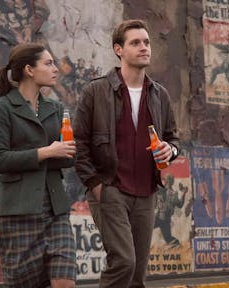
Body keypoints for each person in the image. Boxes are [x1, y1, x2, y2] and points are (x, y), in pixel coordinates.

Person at [73, 19, 179, 288]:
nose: (144, 47)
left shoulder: (160, 94)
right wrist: (95, 185)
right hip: (110, 188)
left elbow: (173, 138)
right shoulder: (95, 91)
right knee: (124, 261)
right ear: (118, 49)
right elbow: (79, 143)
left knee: (136, 275)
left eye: (146, 42)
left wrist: (172, 150)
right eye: (135, 43)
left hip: (145, 190)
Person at [0, 43, 77, 288]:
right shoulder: (0, 108)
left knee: (64, 280)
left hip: (54, 210)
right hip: (18, 211)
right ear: (29, 69)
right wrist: (45, 152)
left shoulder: (56, 108)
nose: (55, 69)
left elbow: (67, 157)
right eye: (48, 63)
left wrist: (69, 151)